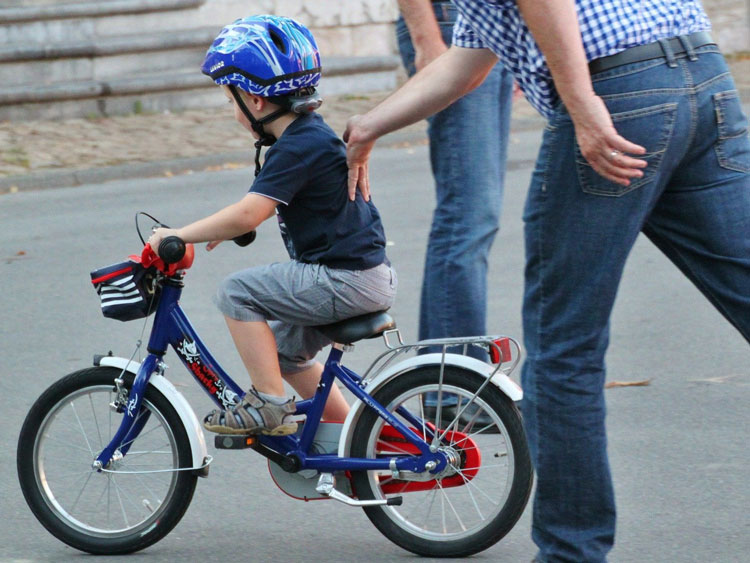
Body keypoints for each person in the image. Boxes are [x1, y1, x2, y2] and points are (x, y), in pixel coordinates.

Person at [344, 1, 750, 561]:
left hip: (616, 90)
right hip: (703, 79)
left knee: (565, 351)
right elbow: (470, 60)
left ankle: (570, 552)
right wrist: (369, 125)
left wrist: (581, 105)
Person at [149, 15, 397, 436]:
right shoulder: (305, 138)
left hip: (344, 279)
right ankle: (348, 437)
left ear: (255, 100)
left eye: (231, 100)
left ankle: (268, 404)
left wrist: (178, 234)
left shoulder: (297, 147)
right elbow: (256, 210)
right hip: (362, 276)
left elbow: (250, 213)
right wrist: (222, 229)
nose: (233, 110)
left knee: (236, 291)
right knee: (283, 353)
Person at [395, 0, 514, 423]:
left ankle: (453, 387)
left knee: (476, 218)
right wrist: (425, 37)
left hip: (491, 28)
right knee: (467, 216)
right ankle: (451, 394)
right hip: (449, 27)